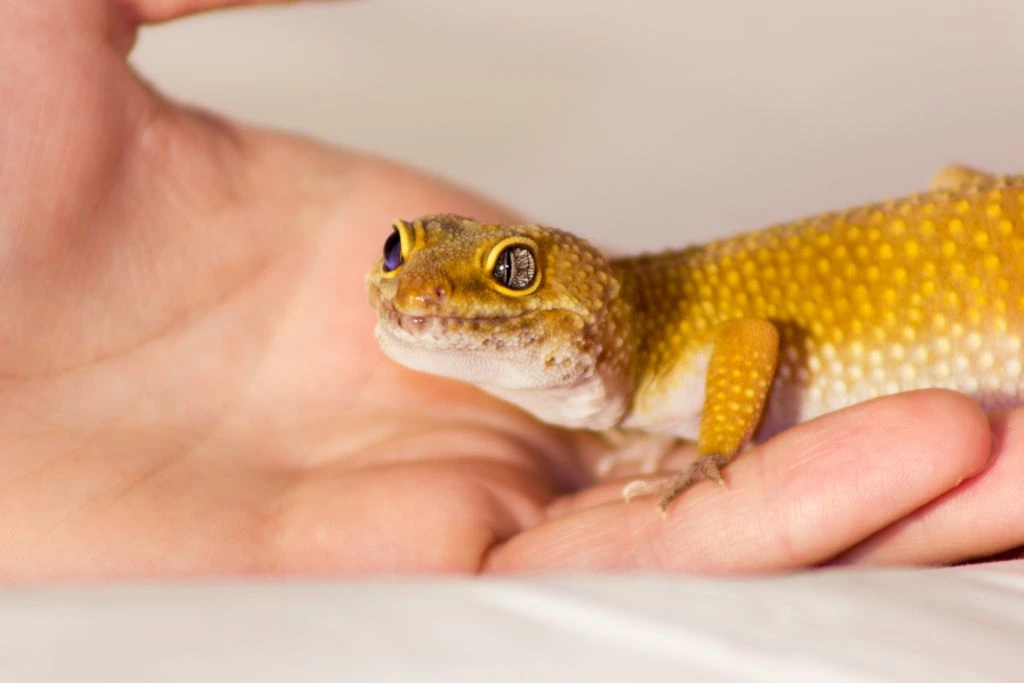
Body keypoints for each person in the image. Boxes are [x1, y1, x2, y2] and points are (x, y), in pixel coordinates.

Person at [0, 0, 1019, 582]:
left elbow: (750, 336)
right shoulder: (635, 356)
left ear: (586, 308)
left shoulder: (679, 337)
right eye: (400, 256)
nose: (429, 292)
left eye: (510, 272)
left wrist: (715, 453)